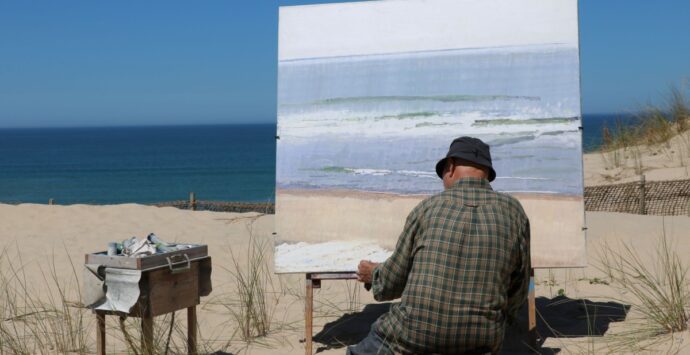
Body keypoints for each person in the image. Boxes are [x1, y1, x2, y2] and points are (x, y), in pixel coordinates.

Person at [350, 136, 531, 355]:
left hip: (412, 336)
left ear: (451, 166)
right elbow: (519, 287)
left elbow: (393, 282)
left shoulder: (428, 208)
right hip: (482, 339)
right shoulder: (514, 212)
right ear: (486, 173)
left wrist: (374, 274)